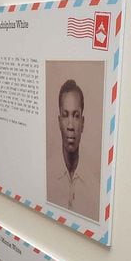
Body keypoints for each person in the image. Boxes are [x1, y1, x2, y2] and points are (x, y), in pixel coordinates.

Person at [46, 78, 96, 220]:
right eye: (65, 115)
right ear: (59, 121)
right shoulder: (47, 175)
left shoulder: (93, 187)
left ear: (83, 123)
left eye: (76, 116)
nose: (70, 125)